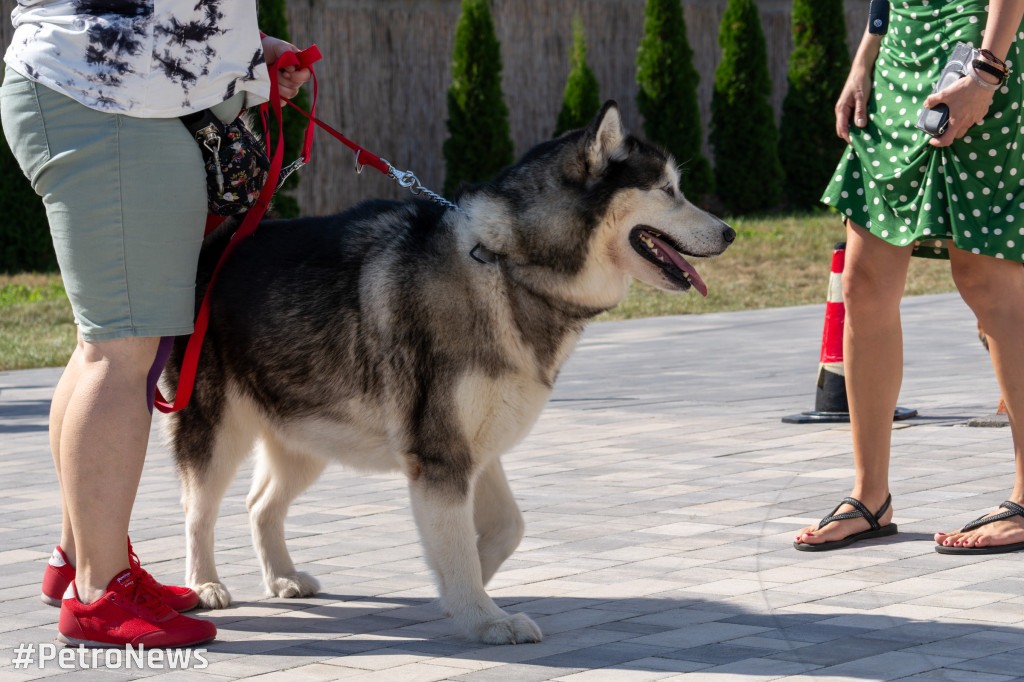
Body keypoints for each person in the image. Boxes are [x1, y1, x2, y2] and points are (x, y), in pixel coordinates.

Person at [0, 0, 311, 646]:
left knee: (105, 345)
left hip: (100, 89)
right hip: (108, 99)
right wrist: (247, 63)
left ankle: (82, 557)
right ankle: (99, 593)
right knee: (122, 349)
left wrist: (252, 50)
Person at [794, 0, 1024, 554]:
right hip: (901, 57)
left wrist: (987, 73)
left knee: (988, 281)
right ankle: (870, 497)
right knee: (863, 283)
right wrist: (864, 58)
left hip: (979, 51)